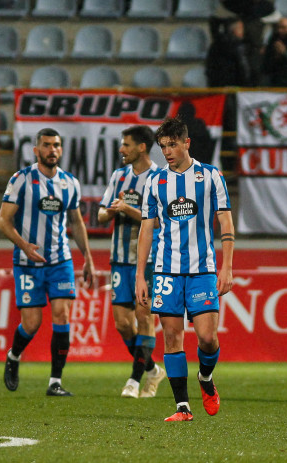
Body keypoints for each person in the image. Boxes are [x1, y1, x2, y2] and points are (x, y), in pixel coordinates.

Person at [136, 117, 234, 422]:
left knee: (207, 338)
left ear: (186, 143)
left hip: (202, 270)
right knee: (172, 337)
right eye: (163, 146)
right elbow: (146, 230)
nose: (167, 151)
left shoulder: (210, 176)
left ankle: (205, 378)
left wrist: (227, 267)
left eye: (172, 145)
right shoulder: (154, 180)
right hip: (166, 271)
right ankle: (182, 407)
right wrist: (141, 276)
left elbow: (226, 222)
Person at [0, 127, 95, 397]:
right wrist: (24, 246)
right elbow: (3, 221)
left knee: (62, 315)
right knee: (31, 323)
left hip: (59, 261)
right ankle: (14, 355)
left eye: (56, 145)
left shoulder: (70, 183)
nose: (52, 150)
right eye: (47, 145)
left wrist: (87, 257)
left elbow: (76, 221)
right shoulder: (21, 179)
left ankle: (55, 381)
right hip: (27, 262)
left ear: (61, 149)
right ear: (36, 149)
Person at [97, 125, 166, 399]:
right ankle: (152, 370)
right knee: (122, 324)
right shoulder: (119, 176)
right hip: (120, 258)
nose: (121, 149)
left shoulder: (160, 177)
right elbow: (102, 213)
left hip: (147, 260)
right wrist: (112, 210)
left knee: (144, 317)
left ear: (141, 147)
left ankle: (134, 381)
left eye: (126, 144)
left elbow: (160, 220)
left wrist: (129, 209)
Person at [205, 17, 251, 87]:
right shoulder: (237, 46)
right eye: (241, 28)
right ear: (234, 30)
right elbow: (243, 69)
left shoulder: (214, 45)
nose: (243, 32)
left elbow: (209, 67)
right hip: (234, 87)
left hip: (216, 87)